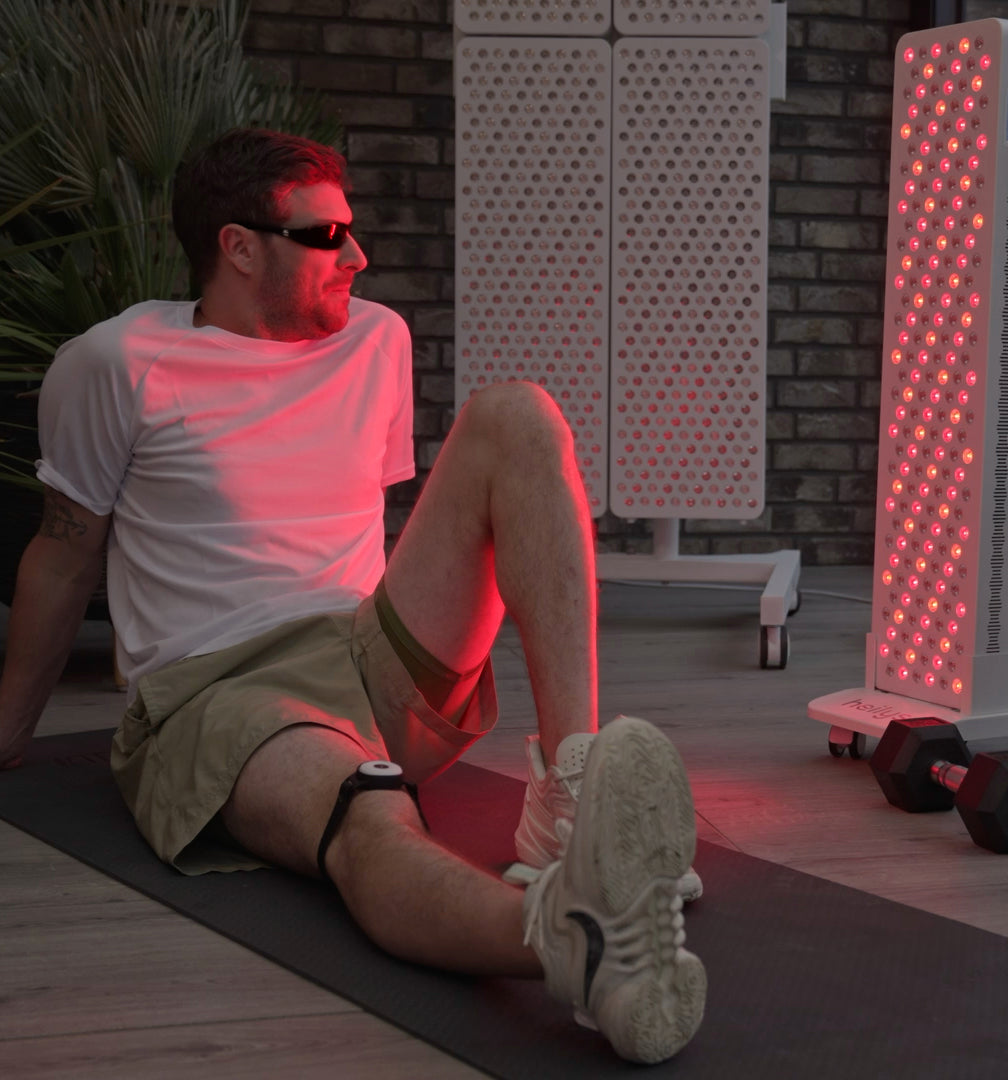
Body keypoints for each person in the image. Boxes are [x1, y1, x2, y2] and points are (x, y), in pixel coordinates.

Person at [0, 128, 705, 1064]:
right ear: (238, 247)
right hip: (224, 692)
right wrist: (9, 734)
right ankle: (578, 944)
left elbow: (363, 521)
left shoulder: (377, 338)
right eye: (327, 236)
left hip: (366, 653)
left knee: (518, 414)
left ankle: (568, 793)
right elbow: (63, 555)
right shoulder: (116, 363)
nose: (358, 257)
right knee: (372, 814)